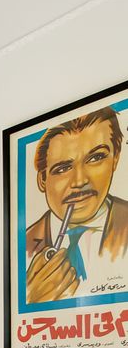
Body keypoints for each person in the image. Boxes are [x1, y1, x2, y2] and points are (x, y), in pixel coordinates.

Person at [24, 106, 128, 304]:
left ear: (115, 160)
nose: (79, 181)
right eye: (63, 168)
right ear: (42, 180)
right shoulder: (23, 246)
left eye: (96, 158)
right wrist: (31, 298)